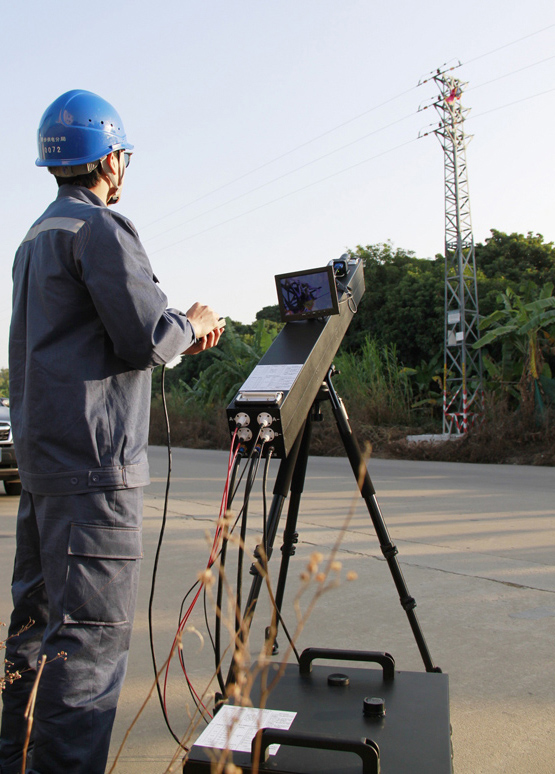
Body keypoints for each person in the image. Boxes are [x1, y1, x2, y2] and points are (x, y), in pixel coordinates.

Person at [0, 89, 225, 774]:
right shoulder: (99, 229)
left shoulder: (35, 238)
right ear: (108, 157)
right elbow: (145, 337)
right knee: (89, 647)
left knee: (34, 638)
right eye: (122, 155)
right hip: (95, 472)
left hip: (46, 469)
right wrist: (192, 321)